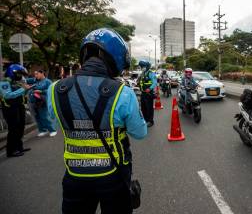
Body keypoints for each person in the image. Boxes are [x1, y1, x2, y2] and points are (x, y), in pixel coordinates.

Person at [47, 28, 147, 214]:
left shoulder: (54, 90)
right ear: (116, 57)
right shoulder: (122, 92)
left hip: (74, 176)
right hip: (113, 174)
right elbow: (140, 133)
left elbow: (52, 126)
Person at [0, 64, 31, 157]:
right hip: (9, 108)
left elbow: (20, 93)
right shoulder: (4, 82)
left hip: (19, 106)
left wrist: (27, 89)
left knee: (21, 127)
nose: (20, 76)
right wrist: (23, 89)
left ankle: (19, 147)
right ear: (13, 73)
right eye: (19, 74)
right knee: (13, 129)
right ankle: (11, 151)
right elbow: (8, 95)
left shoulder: (16, 82)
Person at [27, 70, 57, 137]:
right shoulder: (34, 80)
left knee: (44, 116)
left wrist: (41, 91)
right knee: (37, 117)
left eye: (37, 74)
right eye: (34, 74)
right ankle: (42, 130)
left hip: (42, 101)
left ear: (42, 73)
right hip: (33, 101)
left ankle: (52, 130)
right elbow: (24, 80)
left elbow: (51, 90)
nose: (35, 75)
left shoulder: (47, 81)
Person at [138, 60, 157, 127]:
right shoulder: (142, 73)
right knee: (143, 108)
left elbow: (155, 82)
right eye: (141, 66)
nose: (142, 67)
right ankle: (146, 120)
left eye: (143, 66)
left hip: (149, 94)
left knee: (149, 108)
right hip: (143, 93)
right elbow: (140, 81)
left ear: (147, 66)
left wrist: (150, 88)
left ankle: (150, 121)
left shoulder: (151, 73)